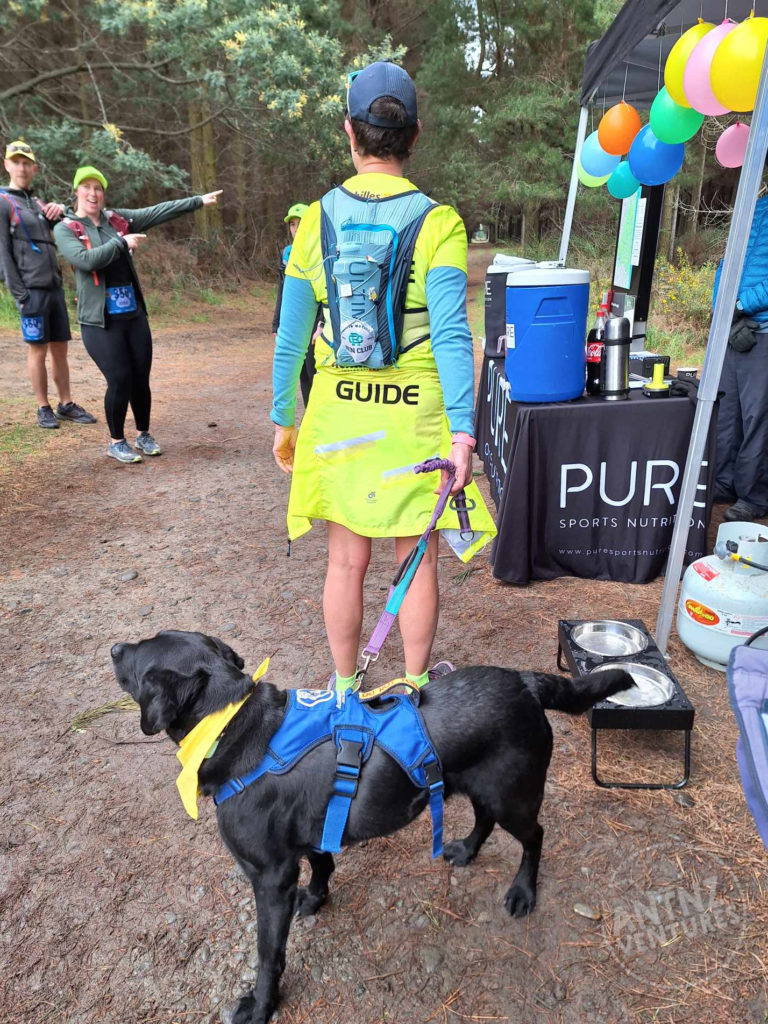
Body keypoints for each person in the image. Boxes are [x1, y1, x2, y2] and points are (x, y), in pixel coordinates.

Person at [271, 61, 496, 693]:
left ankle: (346, 687)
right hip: (415, 415)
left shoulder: (313, 220)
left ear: (350, 132)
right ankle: (416, 685)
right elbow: (453, 336)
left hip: (340, 415)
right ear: (415, 136)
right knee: (413, 556)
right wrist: (463, 435)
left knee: (345, 559)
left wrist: (284, 418)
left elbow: (292, 338)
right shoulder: (441, 223)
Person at [54, 166, 222, 463]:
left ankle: (143, 434)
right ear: (77, 190)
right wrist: (121, 243)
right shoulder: (67, 228)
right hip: (99, 321)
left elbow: (158, 211)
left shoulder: (117, 219)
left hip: (133, 315)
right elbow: (85, 260)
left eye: (99, 188)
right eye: (87, 187)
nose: (93, 193)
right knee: (119, 378)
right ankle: (116, 441)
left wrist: (197, 201)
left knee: (140, 378)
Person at [0, 140, 96, 429]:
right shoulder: (3, 201)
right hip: (30, 291)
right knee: (38, 349)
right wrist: (19, 294)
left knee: (60, 349)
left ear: (35, 168)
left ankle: (65, 403)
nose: (21, 167)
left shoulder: (39, 202)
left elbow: (71, 224)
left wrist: (61, 207)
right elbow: (3, 252)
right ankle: (43, 407)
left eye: (26, 162)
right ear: (6, 165)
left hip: (54, 288)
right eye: (16, 162)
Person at [713, 192, 768, 522]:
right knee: (727, 411)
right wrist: (721, 302)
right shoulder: (755, 204)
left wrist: (741, 305)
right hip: (732, 328)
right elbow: (727, 261)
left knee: (756, 418)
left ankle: (755, 495)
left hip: (760, 330)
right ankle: (725, 481)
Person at [272, 202, 320, 405]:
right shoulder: (288, 253)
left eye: (301, 223)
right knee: (301, 374)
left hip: (316, 322)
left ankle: (318, 420)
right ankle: (309, 418)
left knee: (314, 370)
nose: (296, 229)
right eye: (292, 224)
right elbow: (282, 291)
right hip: (295, 322)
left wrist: (323, 324)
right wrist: (276, 324)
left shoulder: (320, 251)